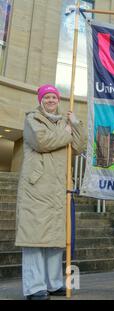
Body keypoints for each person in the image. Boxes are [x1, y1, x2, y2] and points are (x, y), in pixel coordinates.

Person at [15, 84, 87, 300]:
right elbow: (42, 141)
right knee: (34, 240)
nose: (50, 100)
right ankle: (35, 287)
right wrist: (65, 132)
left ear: (58, 100)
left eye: (53, 97)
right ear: (40, 100)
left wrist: (76, 125)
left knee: (55, 239)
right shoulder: (32, 120)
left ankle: (54, 283)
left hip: (58, 189)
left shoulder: (65, 123)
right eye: (46, 97)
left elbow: (79, 147)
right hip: (36, 189)